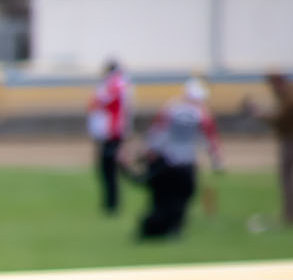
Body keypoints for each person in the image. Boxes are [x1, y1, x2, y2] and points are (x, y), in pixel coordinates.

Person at [133, 78, 221, 240]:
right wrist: (216, 161)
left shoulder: (171, 109)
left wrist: (149, 152)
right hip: (186, 163)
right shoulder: (202, 113)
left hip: (168, 161)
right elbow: (211, 139)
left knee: (164, 197)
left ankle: (163, 227)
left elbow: (157, 132)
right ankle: (175, 228)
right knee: (182, 198)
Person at [257, 72, 293, 226]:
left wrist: (266, 116)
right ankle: (290, 212)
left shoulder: (289, 95)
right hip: (291, 137)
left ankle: (292, 214)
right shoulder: (289, 94)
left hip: (292, 138)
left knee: (288, 176)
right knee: (287, 176)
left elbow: (285, 116)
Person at [87, 59, 129, 215]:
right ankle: (110, 203)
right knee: (107, 170)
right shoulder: (117, 85)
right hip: (110, 132)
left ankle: (112, 205)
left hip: (111, 133)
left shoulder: (116, 85)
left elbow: (100, 103)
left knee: (109, 170)